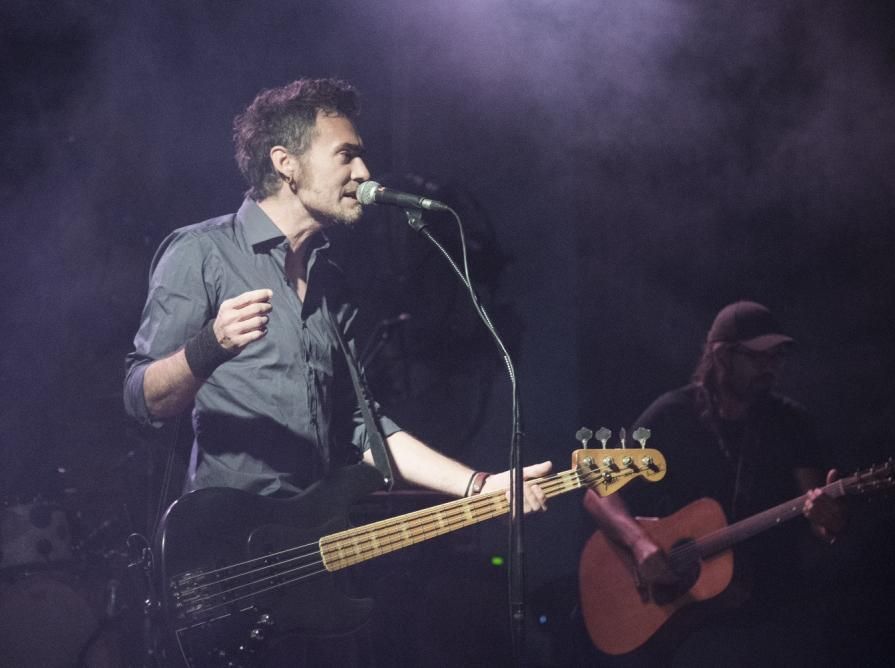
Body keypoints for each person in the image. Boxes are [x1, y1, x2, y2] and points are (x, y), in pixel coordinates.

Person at [123, 78, 550, 664]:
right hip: (227, 563)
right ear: (286, 164)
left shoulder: (334, 285)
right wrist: (208, 347)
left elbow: (364, 430)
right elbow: (142, 398)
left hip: (317, 563)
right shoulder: (201, 253)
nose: (363, 170)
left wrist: (480, 487)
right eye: (346, 154)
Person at [583, 300, 846, 666]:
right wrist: (641, 544)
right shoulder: (673, 414)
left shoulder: (791, 423)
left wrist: (827, 518)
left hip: (773, 612)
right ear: (722, 357)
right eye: (758, 358)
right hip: (692, 624)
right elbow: (599, 492)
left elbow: (818, 515)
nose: (770, 368)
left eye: (776, 358)